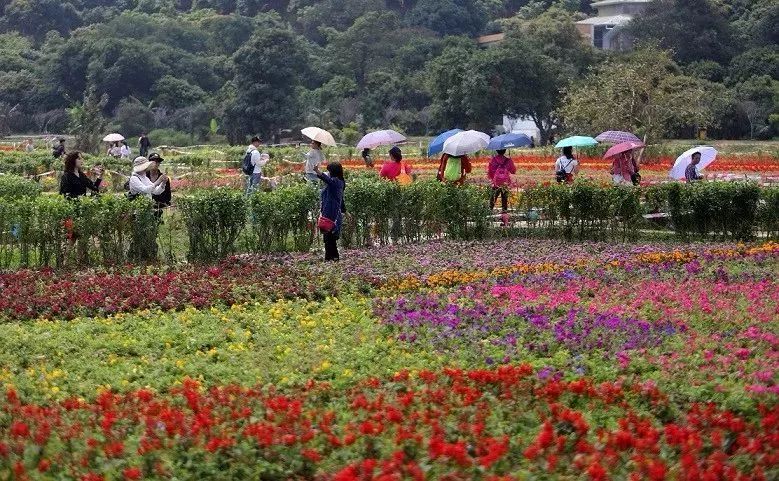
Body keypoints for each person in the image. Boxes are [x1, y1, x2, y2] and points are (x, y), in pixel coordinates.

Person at [315, 162, 346, 262]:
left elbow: (328, 180)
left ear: (333, 172)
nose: (328, 173)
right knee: (328, 238)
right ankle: (331, 259)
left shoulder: (336, 182)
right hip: (329, 213)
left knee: (329, 238)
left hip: (332, 215)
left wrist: (317, 171)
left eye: (329, 171)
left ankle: (332, 259)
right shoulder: (337, 182)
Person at [488, 149, 516, 214]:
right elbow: (513, 171)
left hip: (496, 183)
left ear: (497, 151)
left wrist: (494, 179)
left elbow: (490, 172)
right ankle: (504, 214)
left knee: (493, 198)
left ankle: (489, 212)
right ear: (505, 151)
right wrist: (510, 161)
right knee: (504, 199)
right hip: (505, 183)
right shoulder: (508, 160)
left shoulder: (493, 160)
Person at [147, 153, 171, 220]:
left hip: (160, 207)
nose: (155, 163)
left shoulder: (164, 178)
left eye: (158, 161)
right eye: (153, 161)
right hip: (146, 206)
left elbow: (168, 196)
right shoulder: (144, 176)